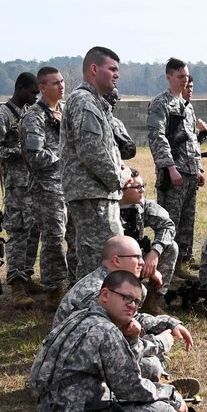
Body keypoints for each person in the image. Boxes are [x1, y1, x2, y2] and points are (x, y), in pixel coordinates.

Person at [30, 270, 191, 412]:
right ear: (105, 295)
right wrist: (171, 395)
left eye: (136, 302)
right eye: (126, 298)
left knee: (139, 392)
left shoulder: (80, 316)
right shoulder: (105, 330)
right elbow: (131, 389)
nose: (132, 306)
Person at [53, 236, 194, 383]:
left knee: (149, 355)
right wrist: (160, 343)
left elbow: (131, 319)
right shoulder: (99, 293)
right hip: (71, 371)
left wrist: (169, 322)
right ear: (116, 260)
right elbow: (114, 346)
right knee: (151, 366)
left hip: (85, 356)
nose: (142, 262)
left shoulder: (113, 284)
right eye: (136, 257)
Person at [61, 46, 134, 277]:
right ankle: (91, 308)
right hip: (93, 194)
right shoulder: (84, 101)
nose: (117, 74)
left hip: (97, 193)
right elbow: (90, 150)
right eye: (111, 69)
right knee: (103, 259)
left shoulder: (94, 101)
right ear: (94, 69)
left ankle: (93, 308)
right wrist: (118, 177)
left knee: (96, 257)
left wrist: (119, 166)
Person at [0, 72, 41, 305]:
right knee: (18, 232)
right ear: (19, 88)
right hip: (16, 186)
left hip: (34, 183)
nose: (35, 97)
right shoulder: (3, 115)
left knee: (34, 230)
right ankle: (16, 283)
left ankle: (26, 274)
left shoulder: (29, 114)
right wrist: (20, 152)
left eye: (37, 93)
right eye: (31, 92)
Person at [147, 58, 204, 280]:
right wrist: (170, 167)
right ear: (169, 77)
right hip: (174, 174)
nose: (185, 80)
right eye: (180, 76)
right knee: (170, 222)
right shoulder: (160, 104)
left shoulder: (187, 107)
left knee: (187, 222)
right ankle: (165, 268)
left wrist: (198, 168)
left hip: (189, 171)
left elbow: (192, 140)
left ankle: (181, 264)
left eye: (187, 76)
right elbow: (157, 137)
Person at [21, 66, 69, 305]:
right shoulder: (34, 117)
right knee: (53, 238)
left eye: (62, 81)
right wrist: (64, 150)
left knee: (75, 235)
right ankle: (53, 288)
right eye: (55, 83)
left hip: (71, 185)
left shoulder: (66, 111)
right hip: (48, 188)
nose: (61, 86)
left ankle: (71, 283)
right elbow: (34, 158)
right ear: (42, 88)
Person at [119, 170, 179, 315]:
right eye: (137, 187)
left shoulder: (142, 205)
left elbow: (167, 225)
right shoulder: (108, 208)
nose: (143, 190)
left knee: (171, 247)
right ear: (123, 188)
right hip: (116, 261)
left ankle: (152, 302)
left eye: (143, 185)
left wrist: (154, 253)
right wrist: (139, 262)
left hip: (137, 258)